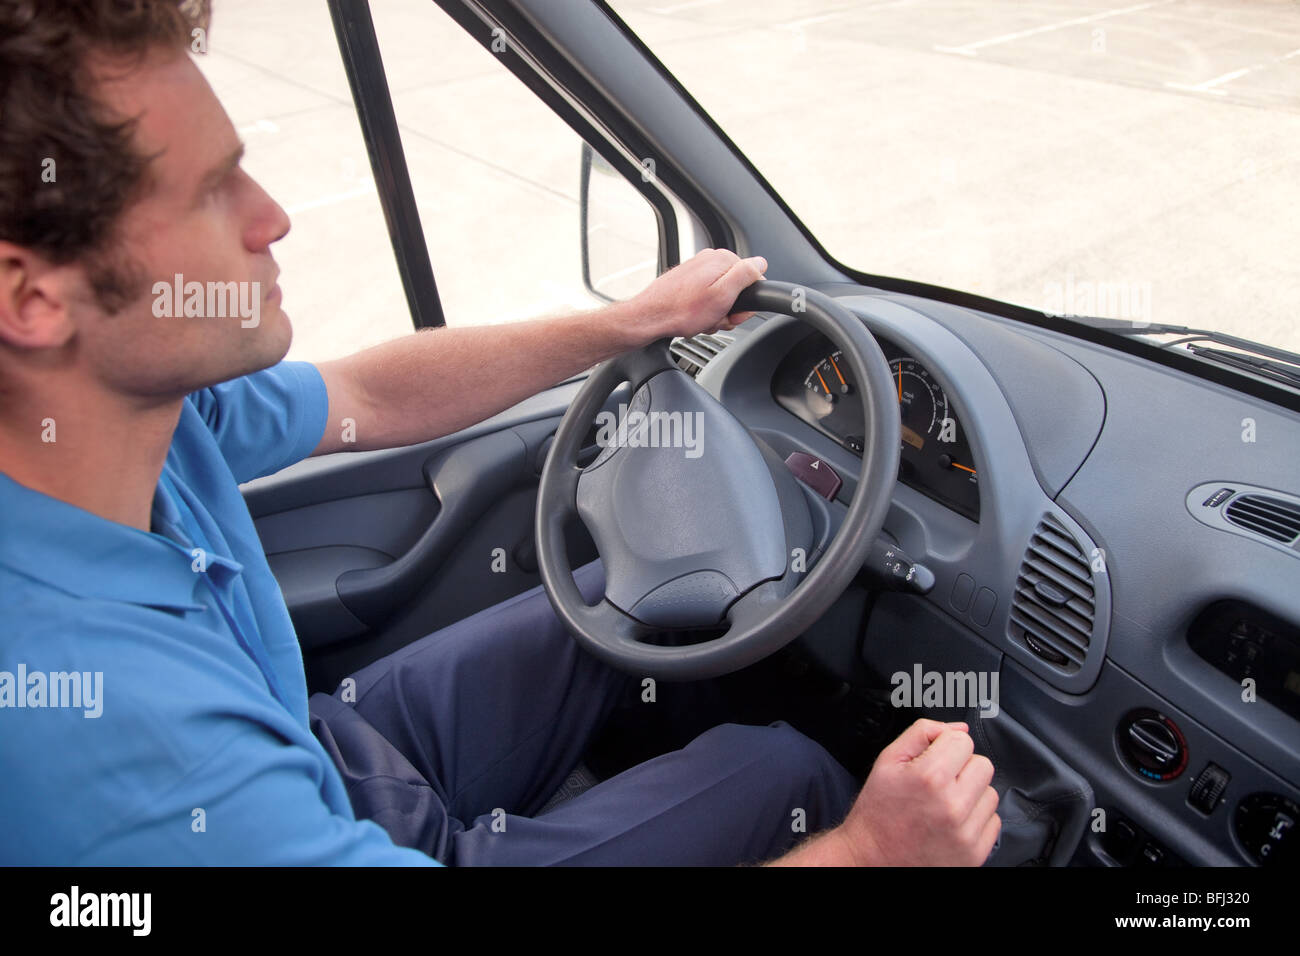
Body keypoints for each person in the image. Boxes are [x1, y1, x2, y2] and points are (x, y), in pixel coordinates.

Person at [0, 0, 1000, 866]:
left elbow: (368, 394)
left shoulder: (149, 415)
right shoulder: (127, 750)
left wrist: (627, 323)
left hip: (326, 748)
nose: (273, 217)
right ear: (31, 294)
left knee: (628, 607)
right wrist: (869, 848)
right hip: (312, 805)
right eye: (213, 190)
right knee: (790, 770)